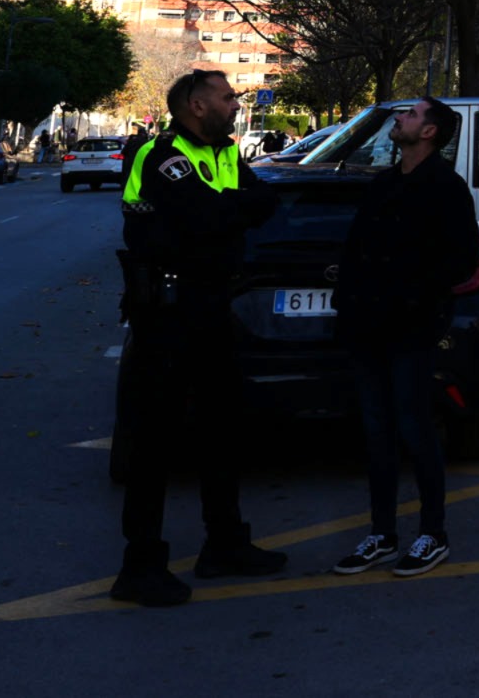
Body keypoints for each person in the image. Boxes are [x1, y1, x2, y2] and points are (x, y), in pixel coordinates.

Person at [112, 70, 288, 606]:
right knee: (155, 440)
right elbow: (205, 218)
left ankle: (225, 543)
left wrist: (227, 213)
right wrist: (231, 212)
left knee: (222, 429)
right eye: (227, 97)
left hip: (213, 307)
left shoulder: (226, 153)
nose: (236, 104)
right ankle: (140, 566)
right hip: (167, 313)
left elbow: (264, 204)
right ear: (197, 105)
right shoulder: (161, 156)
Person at [329, 97, 479, 580]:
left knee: (415, 429)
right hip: (367, 328)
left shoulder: (446, 188)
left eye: (411, 114)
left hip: (411, 330)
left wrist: (414, 296)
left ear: (430, 132)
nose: (399, 118)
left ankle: (433, 533)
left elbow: (462, 259)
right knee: (377, 432)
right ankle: (382, 533)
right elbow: (355, 250)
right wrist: (348, 303)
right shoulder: (384, 184)